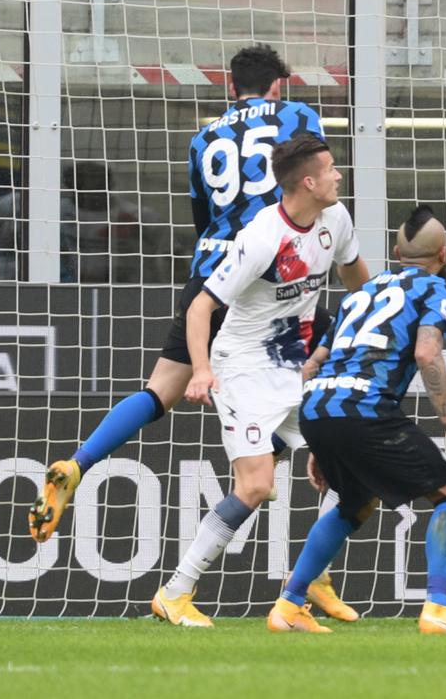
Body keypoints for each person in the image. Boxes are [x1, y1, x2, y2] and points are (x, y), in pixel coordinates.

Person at [29, 44, 358, 620]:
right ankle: (309, 578)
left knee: (160, 392)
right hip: (273, 277)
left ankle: (79, 463)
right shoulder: (300, 121)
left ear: (231, 87)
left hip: (213, 270)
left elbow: (202, 219)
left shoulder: (203, 138)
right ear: (279, 85)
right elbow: (305, 183)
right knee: (311, 433)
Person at [150, 135, 369, 626]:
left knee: (349, 468)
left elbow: (358, 279)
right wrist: (202, 370)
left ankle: (313, 578)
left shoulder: (336, 219)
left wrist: (374, 320)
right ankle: (175, 592)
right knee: (255, 485)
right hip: (243, 368)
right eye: (331, 169)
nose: (339, 176)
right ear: (308, 182)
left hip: (295, 368)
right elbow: (201, 306)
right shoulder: (262, 237)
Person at [264, 205, 446, 636]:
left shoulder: (360, 293)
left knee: (356, 500)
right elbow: (427, 353)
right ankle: (439, 607)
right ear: (445, 252)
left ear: (394, 251)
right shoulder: (436, 289)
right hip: (365, 408)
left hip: (317, 406)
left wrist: (319, 437)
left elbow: (312, 365)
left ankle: (289, 605)